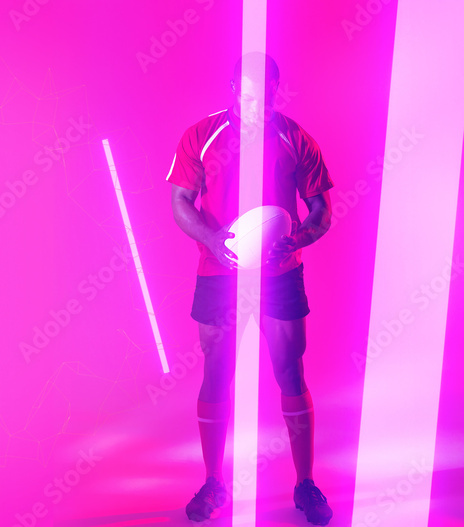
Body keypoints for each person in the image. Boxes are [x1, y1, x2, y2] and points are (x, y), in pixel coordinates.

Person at [166, 52, 335, 525]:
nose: (253, 98)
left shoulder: (294, 137)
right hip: (219, 273)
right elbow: (180, 202)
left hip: (280, 274)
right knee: (216, 373)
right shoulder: (202, 135)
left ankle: (305, 485)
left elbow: (321, 209)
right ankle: (212, 482)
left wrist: (296, 238)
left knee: (289, 370)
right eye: (244, 89)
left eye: (264, 89)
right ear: (231, 87)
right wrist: (212, 240)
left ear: (278, 88)